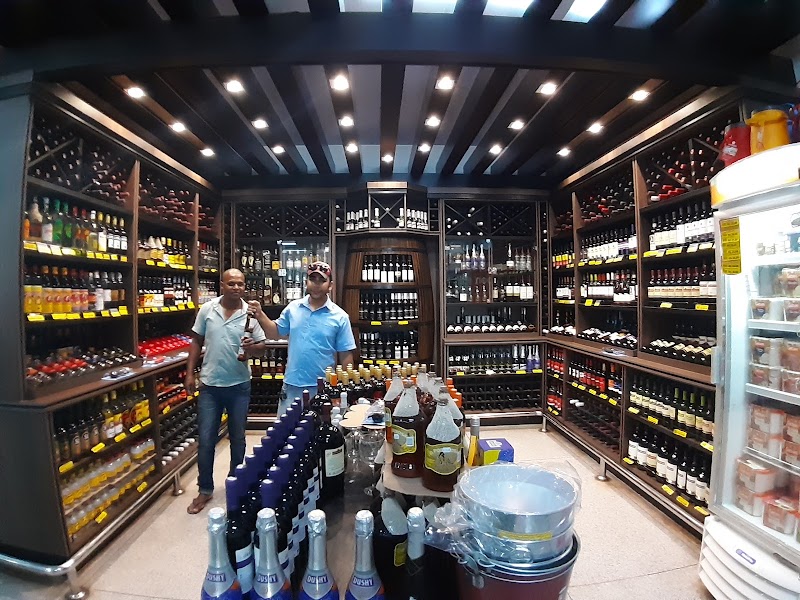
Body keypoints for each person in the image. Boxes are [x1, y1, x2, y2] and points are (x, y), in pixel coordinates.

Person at [185, 268, 267, 514]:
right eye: (231, 283)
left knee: (238, 439)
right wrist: (189, 373)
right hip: (210, 385)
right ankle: (205, 489)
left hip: (239, 385)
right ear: (222, 285)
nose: (236, 287)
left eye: (240, 284)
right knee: (206, 439)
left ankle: (235, 484)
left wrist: (252, 347)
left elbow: (262, 346)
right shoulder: (207, 310)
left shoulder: (250, 313)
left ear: (245, 286)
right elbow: (196, 341)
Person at [248, 261, 356, 416]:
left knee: (320, 429)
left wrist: (344, 389)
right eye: (312, 279)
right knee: (287, 429)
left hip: (323, 388)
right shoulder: (293, 308)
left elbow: (346, 356)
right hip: (292, 385)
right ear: (306, 282)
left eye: (322, 280)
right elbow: (274, 333)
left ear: (330, 286)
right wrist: (260, 314)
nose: (316, 284)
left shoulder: (340, 316)